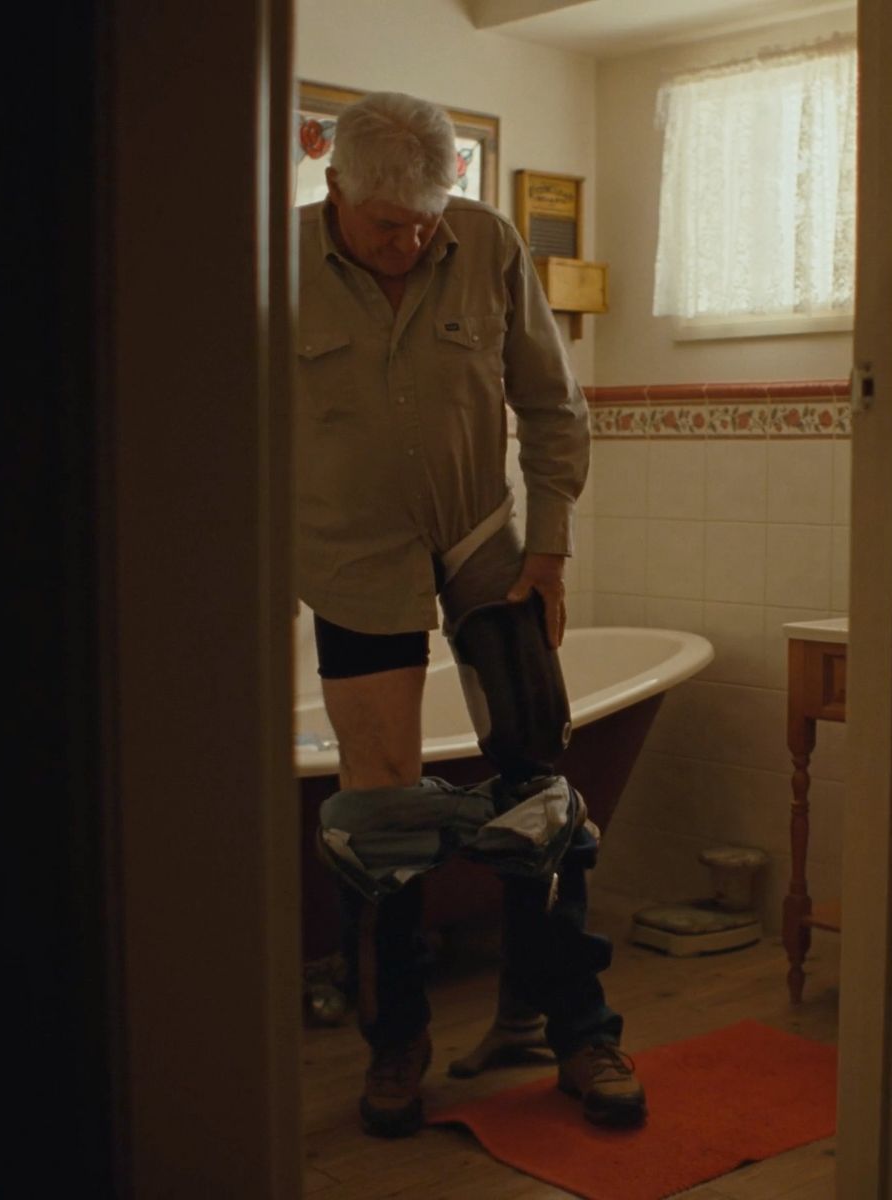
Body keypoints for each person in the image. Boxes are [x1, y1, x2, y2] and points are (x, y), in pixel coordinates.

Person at [294, 90, 644, 1137]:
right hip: (351, 561)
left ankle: (576, 1030)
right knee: (381, 817)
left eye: (421, 225)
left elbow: (549, 402)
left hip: (484, 545)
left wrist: (549, 550)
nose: (405, 245)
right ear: (332, 190)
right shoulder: (268, 265)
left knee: (540, 790)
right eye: (382, 226)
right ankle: (399, 1041)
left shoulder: (487, 242)